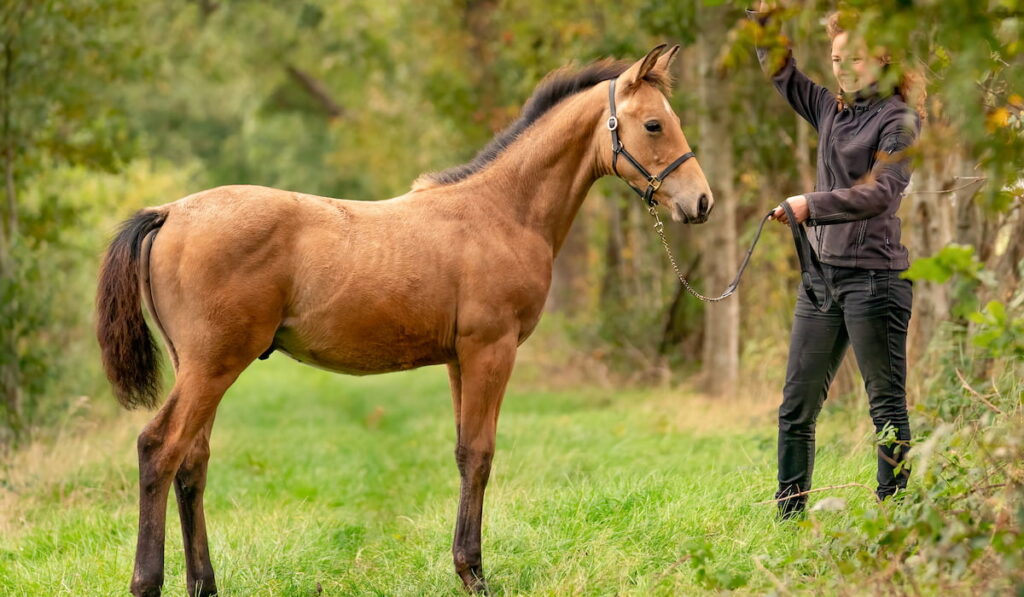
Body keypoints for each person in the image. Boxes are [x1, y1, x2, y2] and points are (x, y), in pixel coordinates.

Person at [748, 2, 926, 518]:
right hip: (821, 282)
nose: (841, 69)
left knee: (886, 409)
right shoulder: (831, 108)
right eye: (835, 58)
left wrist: (811, 205)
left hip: (876, 281)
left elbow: (882, 193)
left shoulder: (901, 119)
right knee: (795, 410)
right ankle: (789, 517)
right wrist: (765, 19)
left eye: (853, 59)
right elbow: (780, 70)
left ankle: (893, 518)